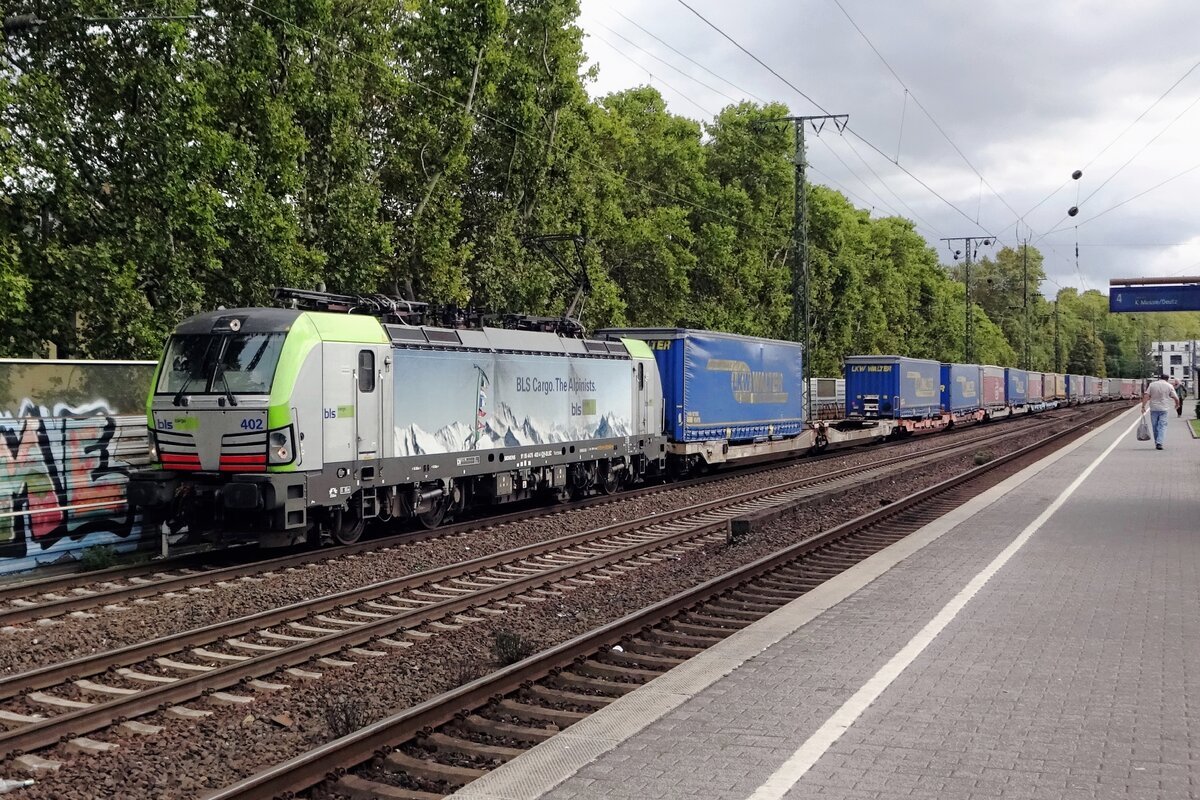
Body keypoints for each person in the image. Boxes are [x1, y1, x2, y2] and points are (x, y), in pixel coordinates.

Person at [1142, 374, 1179, 450]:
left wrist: (1143, 406)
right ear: (1167, 379)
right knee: (1162, 426)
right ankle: (1159, 442)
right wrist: (1177, 404)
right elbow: (1175, 397)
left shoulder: (1152, 385)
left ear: (1160, 378)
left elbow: (1146, 395)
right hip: (1164, 408)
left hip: (1154, 408)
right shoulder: (1169, 386)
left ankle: (1157, 442)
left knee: (1155, 426)